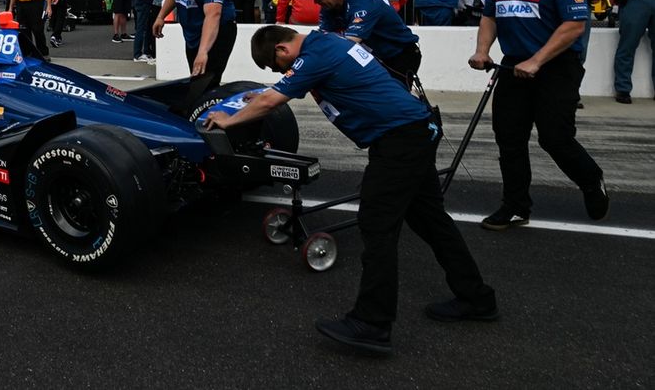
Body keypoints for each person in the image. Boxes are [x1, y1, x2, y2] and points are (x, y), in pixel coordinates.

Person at [206, 26, 497, 356]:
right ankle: (476, 298)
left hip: (400, 140)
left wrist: (229, 121)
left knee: (377, 224)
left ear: (282, 51)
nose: (284, 72)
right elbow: (276, 90)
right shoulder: (325, 43)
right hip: (413, 131)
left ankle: (372, 324)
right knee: (430, 221)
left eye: (279, 67)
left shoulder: (314, 55)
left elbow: (274, 99)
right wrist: (257, 96)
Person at [470, 0, 608, 230]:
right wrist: (481, 50)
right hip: (513, 66)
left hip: (557, 67)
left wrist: (537, 60)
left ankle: (591, 179)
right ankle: (516, 205)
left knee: (554, 137)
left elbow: (574, 25)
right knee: (509, 137)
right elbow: (490, 16)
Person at [303, 0, 421, 89]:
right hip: (377, 56)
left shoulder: (364, 2)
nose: (316, 1)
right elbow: (324, 39)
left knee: (392, 100)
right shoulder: (330, 5)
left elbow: (347, 45)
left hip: (400, 56)